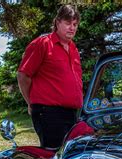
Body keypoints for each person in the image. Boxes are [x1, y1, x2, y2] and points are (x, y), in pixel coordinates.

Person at [17, 5, 82, 150]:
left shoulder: (73, 48)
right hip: (49, 113)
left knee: (72, 156)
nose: (72, 28)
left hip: (72, 113)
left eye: (75, 24)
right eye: (67, 23)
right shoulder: (43, 44)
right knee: (54, 157)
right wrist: (31, 103)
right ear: (57, 22)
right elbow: (23, 76)